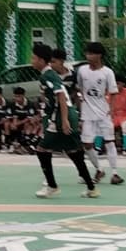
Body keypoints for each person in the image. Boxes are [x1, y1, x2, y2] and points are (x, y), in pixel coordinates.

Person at [31, 42, 98, 198]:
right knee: (74, 152)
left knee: (42, 150)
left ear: (41, 60)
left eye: (34, 58)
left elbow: (60, 95)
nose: (32, 61)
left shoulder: (47, 75)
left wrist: (65, 120)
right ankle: (91, 187)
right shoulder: (49, 74)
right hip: (66, 115)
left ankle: (52, 186)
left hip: (61, 117)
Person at [76, 41, 123, 185]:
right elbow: (79, 89)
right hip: (87, 113)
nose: (88, 56)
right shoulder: (82, 70)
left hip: (103, 113)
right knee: (87, 144)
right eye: (87, 53)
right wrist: (80, 107)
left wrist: (111, 110)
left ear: (99, 55)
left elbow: (113, 93)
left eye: (91, 53)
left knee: (109, 141)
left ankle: (115, 173)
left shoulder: (107, 72)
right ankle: (99, 169)